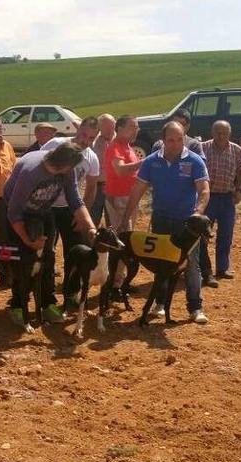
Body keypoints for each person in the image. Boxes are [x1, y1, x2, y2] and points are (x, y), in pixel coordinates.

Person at [119, 121, 210, 323]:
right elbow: (137, 190)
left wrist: (198, 212)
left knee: (191, 264)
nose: (176, 143)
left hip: (187, 223)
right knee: (161, 264)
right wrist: (126, 218)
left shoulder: (195, 161)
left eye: (180, 139)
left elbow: (204, 190)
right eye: (171, 140)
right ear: (163, 140)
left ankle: (195, 307)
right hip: (161, 220)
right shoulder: (151, 161)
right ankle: (160, 304)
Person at [5, 141, 96, 325]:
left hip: (43, 211)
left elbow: (75, 200)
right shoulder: (31, 172)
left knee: (48, 257)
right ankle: (17, 305)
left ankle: (47, 304)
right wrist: (27, 240)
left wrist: (91, 227)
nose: (71, 171)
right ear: (63, 163)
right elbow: (13, 211)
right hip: (16, 212)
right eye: (70, 167)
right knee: (21, 260)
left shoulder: (67, 170)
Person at [42, 118, 100, 304]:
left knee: (75, 251)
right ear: (78, 129)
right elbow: (38, 168)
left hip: (70, 208)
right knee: (46, 251)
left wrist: (83, 215)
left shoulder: (92, 158)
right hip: (46, 206)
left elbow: (91, 188)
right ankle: (46, 295)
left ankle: (71, 293)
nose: (85, 141)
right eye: (84, 135)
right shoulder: (56, 144)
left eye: (91, 138)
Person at [198, 121, 241, 288]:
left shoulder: (236, 149)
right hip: (208, 198)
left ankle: (222, 268)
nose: (221, 136)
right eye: (218, 132)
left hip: (227, 198)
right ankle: (205, 271)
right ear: (212, 132)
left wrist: (239, 190)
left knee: (226, 234)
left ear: (230, 133)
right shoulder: (202, 147)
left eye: (224, 133)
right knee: (203, 236)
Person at [103, 115, 143, 297]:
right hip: (119, 199)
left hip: (128, 198)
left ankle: (119, 281)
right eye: (133, 127)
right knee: (121, 241)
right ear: (119, 128)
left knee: (126, 239)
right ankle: (115, 284)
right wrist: (144, 162)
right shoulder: (115, 147)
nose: (137, 130)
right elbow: (119, 170)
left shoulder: (126, 146)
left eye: (137, 127)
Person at [90, 113, 116, 226]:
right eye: (106, 128)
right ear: (99, 128)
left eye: (112, 126)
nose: (110, 130)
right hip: (98, 185)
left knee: (113, 218)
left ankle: (112, 241)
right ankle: (91, 241)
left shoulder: (119, 140)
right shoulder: (94, 141)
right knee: (94, 216)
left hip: (115, 186)